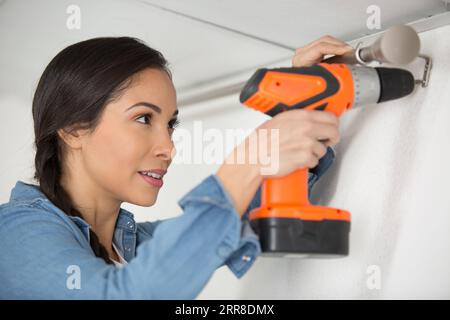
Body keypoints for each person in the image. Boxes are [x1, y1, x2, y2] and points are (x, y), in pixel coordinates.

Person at [0, 35, 351, 299]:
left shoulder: (134, 249)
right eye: (143, 118)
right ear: (74, 129)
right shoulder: (15, 232)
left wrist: (303, 109)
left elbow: (242, 217)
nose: (168, 148)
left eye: (170, 124)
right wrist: (249, 161)